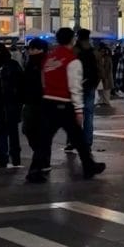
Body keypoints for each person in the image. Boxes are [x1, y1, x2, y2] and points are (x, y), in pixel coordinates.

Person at [26, 28, 105, 183]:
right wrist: (78, 109)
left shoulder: (49, 58)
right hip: (63, 102)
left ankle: (34, 169)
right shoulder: (72, 59)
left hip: (48, 101)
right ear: (72, 40)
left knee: (45, 139)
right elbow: (75, 86)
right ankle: (88, 165)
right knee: (78, 137)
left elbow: (43, 80)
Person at [0, 43, 24, 169]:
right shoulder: (12, 64)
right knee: (10, 131)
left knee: (4, 131)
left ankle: (3, 158)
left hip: (4, 101)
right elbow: (21, 83)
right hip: (9, 102)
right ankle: (13, 157)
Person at [20, 39, 48, 167]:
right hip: (31, 101)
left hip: (40, 102)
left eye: (32, 48)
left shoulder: (43, 63)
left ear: (40, 49)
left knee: (36, 131)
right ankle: (41, 158)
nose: (30, 51)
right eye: (30, 49)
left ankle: (41, 161)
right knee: (29, 130)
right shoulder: (30, 63)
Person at [74, 29, 102, 151]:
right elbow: (100, 70)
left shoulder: (74, 51)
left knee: (75, 114)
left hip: (76, 86)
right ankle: (88, 141)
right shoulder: (94, 52)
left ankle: (73, 141)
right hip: (90, 85)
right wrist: (95, 84)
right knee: (89, 115)